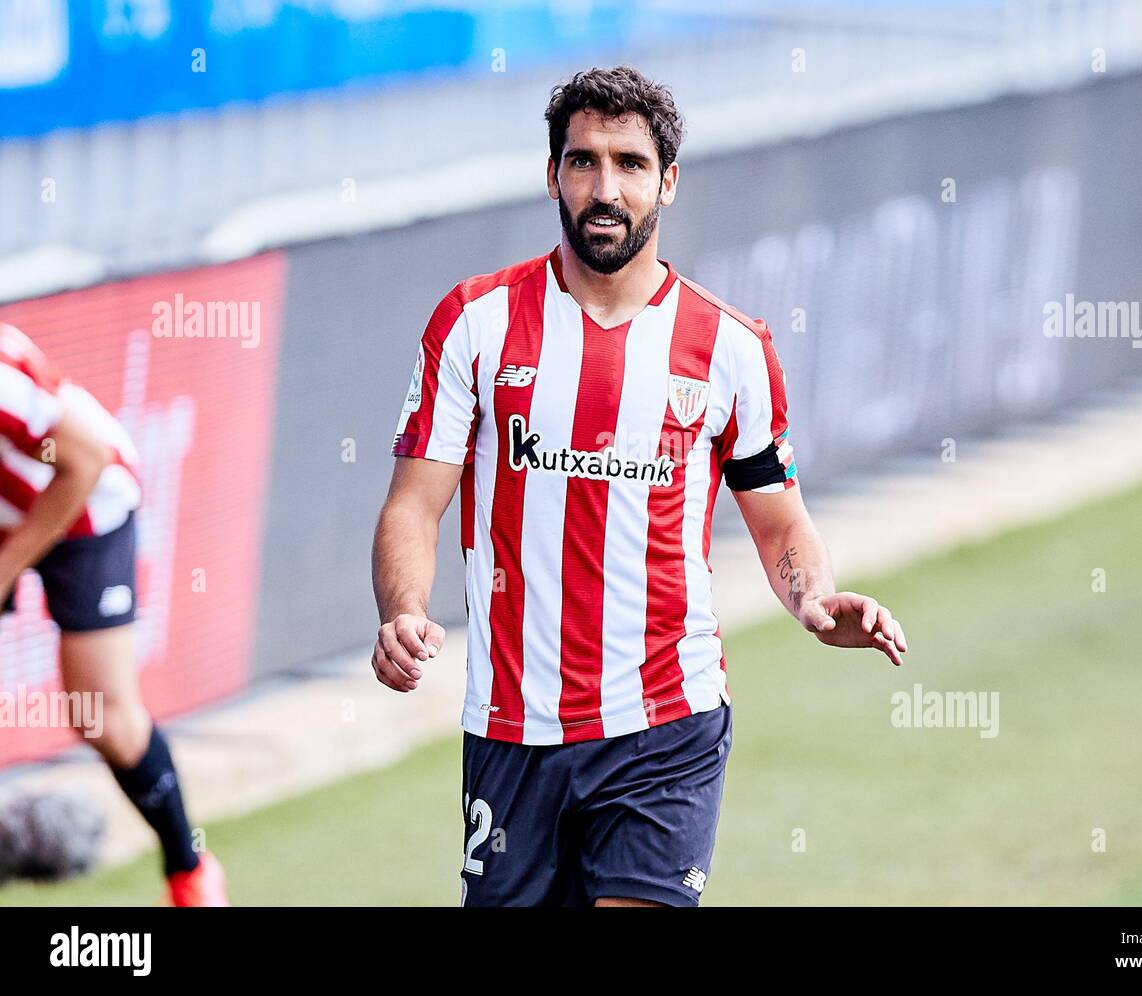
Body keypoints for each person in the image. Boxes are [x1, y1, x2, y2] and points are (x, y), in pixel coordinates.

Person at [371, 65, 907, 907]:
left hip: (668, 720)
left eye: (629, 163)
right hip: (513, 728)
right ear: (553, 175)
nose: (605, 187)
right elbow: (414, 501)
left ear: (668, 182)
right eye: (584, 162)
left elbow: (778, 522)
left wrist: (814, 599)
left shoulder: (731, 347)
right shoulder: (474, 323)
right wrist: (403, 610)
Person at [0, 321, 228, 906]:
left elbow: (86, 461)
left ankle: (190, 874)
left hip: (84, 506)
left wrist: (6, 567)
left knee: (103, 717)